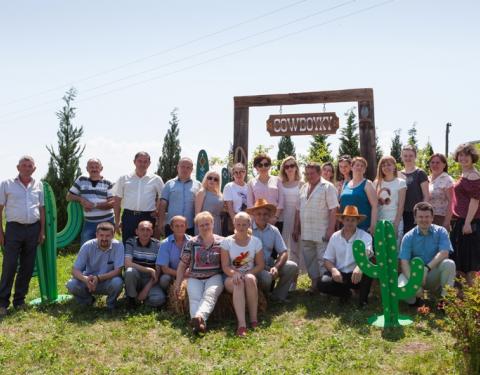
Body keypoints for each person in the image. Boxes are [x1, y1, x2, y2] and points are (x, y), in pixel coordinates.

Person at [0, 156, 45, 317]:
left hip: (33, 229)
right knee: (9, 266)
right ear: (18, 167)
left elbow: (42, 210)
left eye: (30, 165)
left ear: (34, 168)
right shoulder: (6, 184)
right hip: (13, 229)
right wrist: (1, 232)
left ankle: (19, 301)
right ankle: (2, 303)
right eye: (24, 165)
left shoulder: (38, 185)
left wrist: (42, 231)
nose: (27, 168)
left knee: (26, 267)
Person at [174, 212, 224, 335]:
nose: (205, 227)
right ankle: (200, 323)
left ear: (213, 224)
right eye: (201, 225)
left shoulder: (222, 242)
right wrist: (178, 282)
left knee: (210, 294)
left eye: (207, 224)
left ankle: (198, 318)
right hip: (194, 277)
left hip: (214, 276)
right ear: (197, 227)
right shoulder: (191, 242)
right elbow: (182, 264)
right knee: (194, 298)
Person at [398, 202, 455, 306]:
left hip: (432, 273)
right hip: (413, 274)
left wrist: (426, 268)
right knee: (401, 290)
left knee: (449, 264)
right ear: (415, 218)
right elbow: (404, 263)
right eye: (420, 217)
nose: (424, 220)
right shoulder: (408, 237)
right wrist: (414, 284)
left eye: (427, 216)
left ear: (432, 217)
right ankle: (415, 300)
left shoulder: (441, 231)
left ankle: (444, 301)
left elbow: (444, 253)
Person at [293, 162, 338, 291]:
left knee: (323, 259)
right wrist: (296, 228)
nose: (309, 176)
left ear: (319, 173)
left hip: (322, 230)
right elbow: (298, 209)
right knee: (309, 259)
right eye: (307, 173)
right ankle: (315, 283)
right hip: (306, 231)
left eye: (312, 173)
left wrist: (330, 229)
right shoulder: (303, 188)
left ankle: (325, 287)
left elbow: (333, 209)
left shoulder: (327, 187)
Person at [318, 205, 373, 307]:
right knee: (322, 283)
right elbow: (327, 259)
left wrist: (359, 266)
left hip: (357, 274)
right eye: (347, 219)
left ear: (358, 221)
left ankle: (363, 301)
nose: (350, 222)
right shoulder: (335, 237)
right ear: (342, 221)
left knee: (368, 272)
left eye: (353, 220)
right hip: (340, 275)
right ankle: (346, 294)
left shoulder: (365, 236)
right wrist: (334, 271)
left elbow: (368, 252)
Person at [221, 212, 264, 337]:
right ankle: (242, 325)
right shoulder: (227, 242)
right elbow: (225, 266)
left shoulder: (256, 241)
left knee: (250, 278)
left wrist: (248, 273)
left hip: (249, 275)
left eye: (244, 224)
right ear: (233, 224)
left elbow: (260, 265)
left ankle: (254, 319)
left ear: (249, 225)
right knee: (238, 282)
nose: (240, 227)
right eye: (238, 224)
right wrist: (234, 273)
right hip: (231, 277)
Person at [66, 222, 124, 310]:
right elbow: (75, 270)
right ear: (96, 235)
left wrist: (98, 278)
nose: (104, 238)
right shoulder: (87, 246)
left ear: (113, 235)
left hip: (108, 281)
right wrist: (85, 279)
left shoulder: (119, 246)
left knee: (118, 282)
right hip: (89, 281)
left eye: (107, 236)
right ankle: (88, 301)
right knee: (71, 284)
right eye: (101, 235)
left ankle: (111, 304)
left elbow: (118, 271)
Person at [249, 199, 298, 302]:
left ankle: (277, 296)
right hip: (253, 267)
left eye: (265, 214)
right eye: (259, 214)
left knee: (292, 267)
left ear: (269, 215)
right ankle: (262, 298)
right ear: (253, 214)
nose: (262, 217)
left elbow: (283, 252)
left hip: (269, 265)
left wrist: (276, 267)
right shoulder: (248, 229)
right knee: (267, 278)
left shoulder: (273, 230)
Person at [113, 151, 164, 244]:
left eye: (145, 161)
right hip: (129, 217)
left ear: (149, 163)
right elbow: (117, 201)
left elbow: (162, 198)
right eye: (140, 161)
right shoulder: (124, 178)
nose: (142, 164)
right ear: (134, 162)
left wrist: (157, 211)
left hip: (148, 217)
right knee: (128, 244)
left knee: (147, 245)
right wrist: (117, 221)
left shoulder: (156, 179)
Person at [450, 143, 480, 286]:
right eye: (461, 155)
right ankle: (462, 302)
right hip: (460, 222)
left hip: (470, 224)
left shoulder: (473, 175)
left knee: (470, 265)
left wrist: (468, 223)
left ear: (472, 156)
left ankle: (472, 303)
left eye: (466, 155)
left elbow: (475, 201)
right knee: (460, 263)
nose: (463, 158)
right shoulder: (465, 173)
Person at [67, 158, 115, 245]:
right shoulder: (81, 180)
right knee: (86, 248)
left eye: (97, 167)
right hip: (89, 223)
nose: (94, 169)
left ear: (101, 168)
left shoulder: (108, 183)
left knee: (107, 249)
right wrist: (82, 199)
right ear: (87, 169)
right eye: (91, 167)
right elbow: (69, 196)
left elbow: (112, 203)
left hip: (107, 223)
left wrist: (94, 205)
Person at [124, 221, 165, 308]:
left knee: (160, 299)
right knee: (129, 271)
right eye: (142, 229)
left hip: (150, 279)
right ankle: (132, 299)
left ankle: (139, 300)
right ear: (137, 231)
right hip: (136, 277)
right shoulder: (130, 242)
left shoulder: (158, 245)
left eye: (148, 230)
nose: (145, 232)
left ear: (152, 232)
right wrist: (148, 269)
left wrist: (146, 290)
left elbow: (157, 271)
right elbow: (128, 264)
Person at [279, 156, 305, 289]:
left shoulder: (302, 184)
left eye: (292, 165)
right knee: (284, 250)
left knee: (296, 249)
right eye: (287, 166)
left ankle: (294, 282)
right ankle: (285, 280)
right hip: (283, 220)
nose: (289, 168)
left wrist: (298, 225)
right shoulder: (280, 183)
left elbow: (302, 206)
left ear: (296, 167)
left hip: (297, 219)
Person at [158, 157, 201, 237]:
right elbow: (163, 205)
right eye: (183, 167)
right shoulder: (169, 184)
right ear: (178, 168)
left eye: (188, 167)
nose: (185, 169)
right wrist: (160, 223)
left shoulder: (198, 185)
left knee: (188, 249)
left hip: (190, 226)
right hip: (172, 226)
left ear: (192, 170)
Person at [339, 156, 378, 234]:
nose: (359, 167)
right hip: (346, 227)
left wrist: (373, 225)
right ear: (352, 167)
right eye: (357, 165)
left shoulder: (367, 184)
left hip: (363, 228)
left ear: (364, 170)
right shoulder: (345, 184)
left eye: (362, 166)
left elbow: (375, 206)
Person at [247, 153, 284, 231]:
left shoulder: (277, 180)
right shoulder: (251, 182)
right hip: (257, 220)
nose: (263, 167)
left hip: (275, 220)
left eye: (266, 164)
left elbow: (281, 202)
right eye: (260, 165)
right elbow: (250, 205)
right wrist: (257, 220)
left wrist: (275, 218)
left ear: (270, 166)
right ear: (256, 167)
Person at [374, 155, 406, 239]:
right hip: (380, 222)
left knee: (395, 250)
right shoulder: (376, 183)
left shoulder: (401, 183)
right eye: (383, 165)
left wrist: (395, 226)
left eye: (389, 164)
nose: (386, 167)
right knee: (381, 251)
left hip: (395, 221)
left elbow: (401, 206)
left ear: (394, 166)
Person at [156, 215, 190, 292]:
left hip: (189, 275)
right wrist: (182, 275)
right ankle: (167, 296)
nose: (180, 228)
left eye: (182, 226)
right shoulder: (165, 243)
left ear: (186, 227)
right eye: (176, 226)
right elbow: (165, 269)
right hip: (171, 275)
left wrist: (187, 275)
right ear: (171, 228)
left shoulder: (193, 241)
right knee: (164, 279)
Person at [400, 145, 429, 233]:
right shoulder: (398, 174)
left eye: (410, 156)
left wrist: (421, 214)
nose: (408, 158)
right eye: (405, 156)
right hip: (401, 213)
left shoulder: (420, 173)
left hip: (416, 214)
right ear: (401, 157)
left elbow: (426, 196)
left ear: (415, 157)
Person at [428, 153, 454, 229]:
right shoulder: (427, 179)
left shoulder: (447, 180)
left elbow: (451, 202)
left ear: (444, 165)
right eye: (432, 162)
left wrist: (446, 221)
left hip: (441, 218)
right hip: (426, 217)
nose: (434, 165)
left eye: (438, 162)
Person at [195, 170, 223, 235]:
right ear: (206, 179)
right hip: (204, 225)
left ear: (218, 182)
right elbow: (197, 214)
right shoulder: (202, 192)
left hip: (217, 224)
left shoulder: (220, 195)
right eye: (210, 178)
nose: (212, 180)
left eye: (215, 179)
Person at [223, 163, 248, 235]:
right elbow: (230, 208)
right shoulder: (229, 186)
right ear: (233, 174)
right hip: (233, 220)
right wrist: (236, 223)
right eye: (235, 172)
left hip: (246, 221)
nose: (238, 174)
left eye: (241, 172)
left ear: (245, 172)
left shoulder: (248, 187)